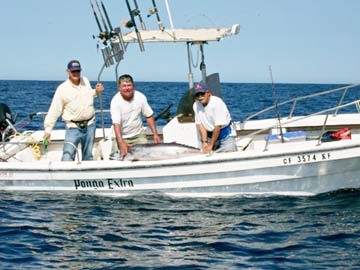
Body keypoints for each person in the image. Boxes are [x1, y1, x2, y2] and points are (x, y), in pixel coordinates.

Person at [44, 60, 104, 161]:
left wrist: (97, 91)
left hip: (90, 125)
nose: (76, 73)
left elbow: (90, 94)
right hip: (73, 127)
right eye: (73, 71)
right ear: (68, 71)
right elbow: (54, 110)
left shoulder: (85, 80)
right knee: (67, 157)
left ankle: (86, 176)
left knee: (88, 156)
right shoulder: (62, 89)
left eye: (78, 71)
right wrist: (48, 130)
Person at [110, 74, 160, 158]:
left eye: (129, 85)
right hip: (121, 136)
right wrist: (121, 142)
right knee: (117, 158)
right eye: (124, 86)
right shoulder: (115, 101)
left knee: (145, 157)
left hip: (138, 135)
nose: (127, 88)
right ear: (119, 88)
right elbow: (116, 124)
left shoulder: (140, 97)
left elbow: (149, 116)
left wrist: (155, 134)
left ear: (133, 86)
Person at [192, 82, 237, 154]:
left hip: (226, 135)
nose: (200, 97)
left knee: (230, 155)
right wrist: (205, 142)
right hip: (209, 135)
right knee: (203, 154)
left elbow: (218, 126)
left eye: (202, 94)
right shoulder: (196, 105)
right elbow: (200, 125)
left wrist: (210, 145)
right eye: (197, 95)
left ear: (208, 93)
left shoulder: (217, 103)